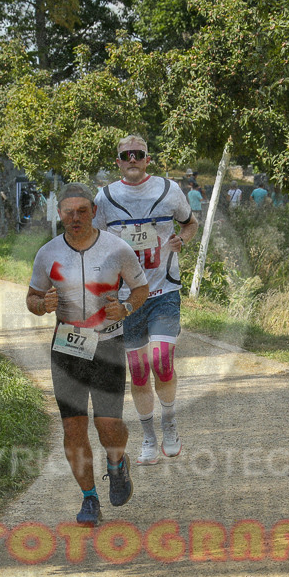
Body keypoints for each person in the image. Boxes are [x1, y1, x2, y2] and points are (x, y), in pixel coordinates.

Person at [27, 183, 150, 526]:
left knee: (109, 425)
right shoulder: (47, 253)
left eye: (82, 210)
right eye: (69, 211)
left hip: (108, 344)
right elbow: (32, 297)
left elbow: (141, 289)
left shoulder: (118, 249)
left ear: (94, 212)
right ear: (59, 214)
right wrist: (41, 305)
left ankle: (117, 461)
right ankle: (89, 498)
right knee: (74, 428)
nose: (75, 217)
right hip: (67, 347)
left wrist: (125, 307)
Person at [93, 134, 199, 465]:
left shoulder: (168, 190)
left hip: (164, 290)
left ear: (147, 159)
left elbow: (191, 223)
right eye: (127, 155)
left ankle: (169, 425)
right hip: (126, 299)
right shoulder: (106, 197)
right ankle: (149, 437)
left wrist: (182, 238)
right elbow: (94, 241)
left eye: (139, 154)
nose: (133, 159)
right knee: (139, 371)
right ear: (118, 162)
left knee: (162, 359)